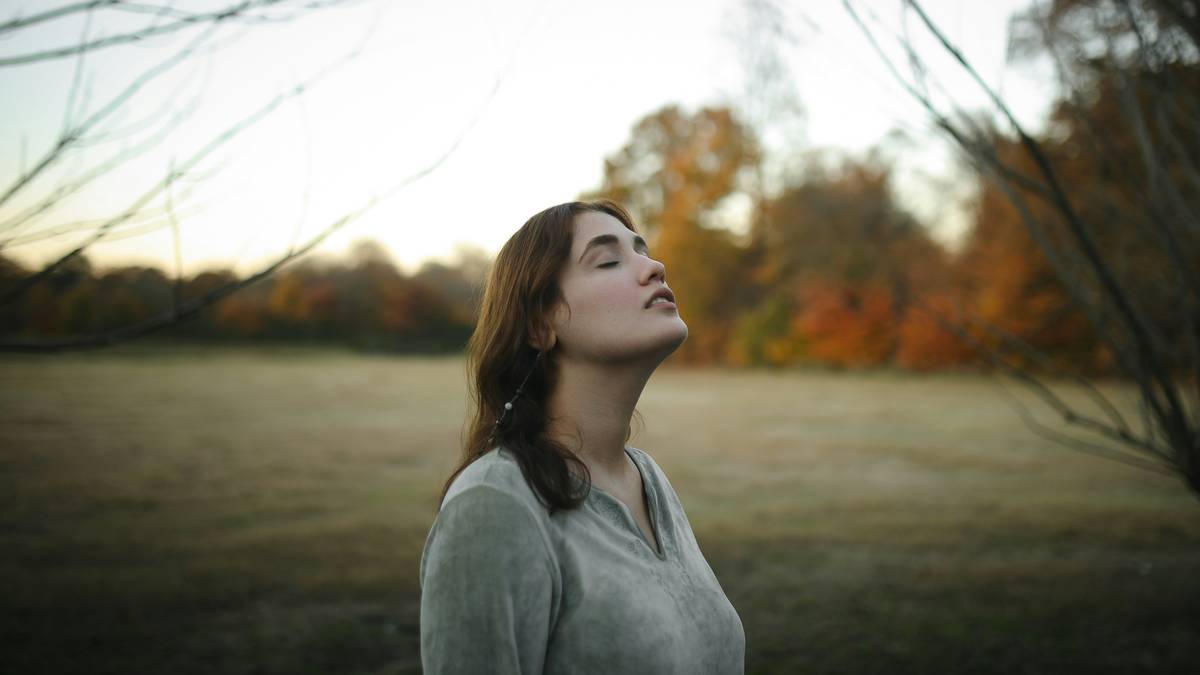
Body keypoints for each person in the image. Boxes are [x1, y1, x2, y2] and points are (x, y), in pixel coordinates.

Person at [418, 199, 746, 674]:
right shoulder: (494, 505)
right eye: (608, 260)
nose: (655, 266)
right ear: (540, 324)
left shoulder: (647, 479)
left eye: (642, 250)